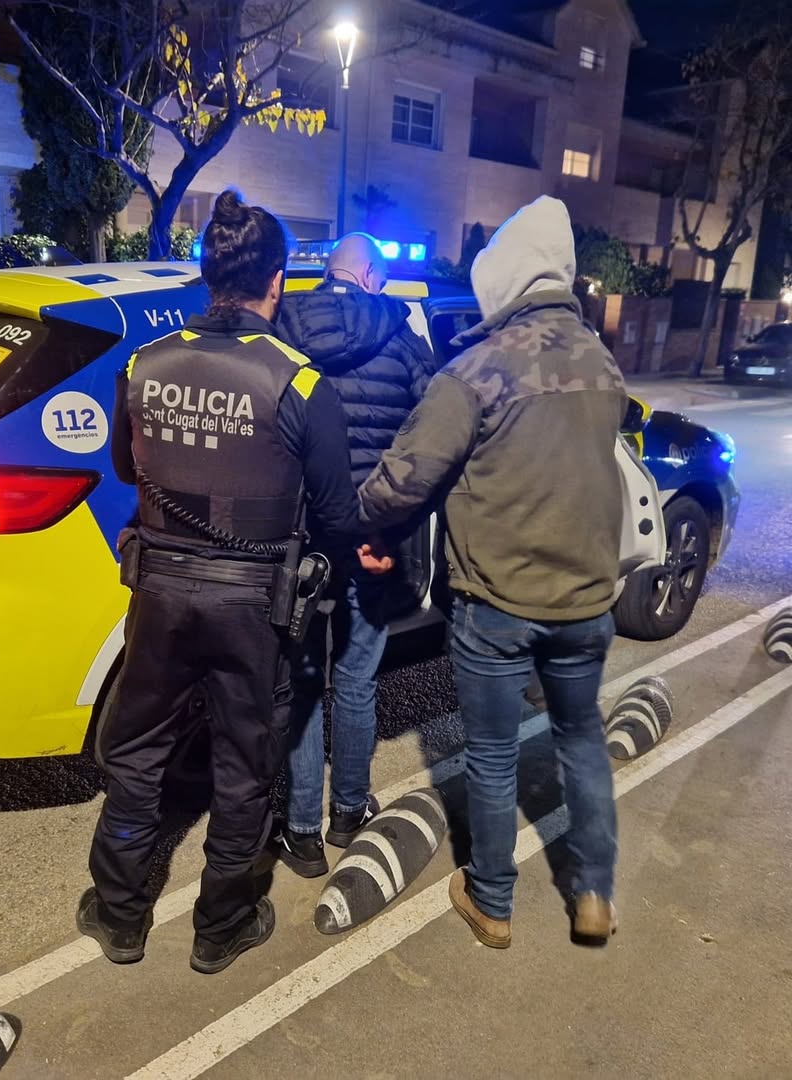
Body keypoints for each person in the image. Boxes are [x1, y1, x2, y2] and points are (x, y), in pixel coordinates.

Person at [78, 190, 391, 976]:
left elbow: (126, 467)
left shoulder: (145, 364)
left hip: (158, 593)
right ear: (277, 282)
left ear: (206, 270)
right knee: (244, 761)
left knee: (138, 750)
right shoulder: (299, 382)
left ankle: (118, 916)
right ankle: (221, 927)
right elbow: (333, 511)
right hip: (255, 606)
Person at [357, 196, 626, 948]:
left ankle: (493, 901)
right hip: (587, 601)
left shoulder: (476, 369)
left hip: (497, 602)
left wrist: (365, 524)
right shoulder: (600, 360)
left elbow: (406, 476)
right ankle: (594, 894)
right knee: (581, 739)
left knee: (493, 753)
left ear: (499, 278)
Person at [272, 233, 439, 876]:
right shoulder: (399, 334)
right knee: (358, 675)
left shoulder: (285, 325)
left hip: (302, 533)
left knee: (305, 678)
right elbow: (434, 427)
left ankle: (302, 833)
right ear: (370, 277)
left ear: (331, 272)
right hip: (373, 534)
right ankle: (348, 811)